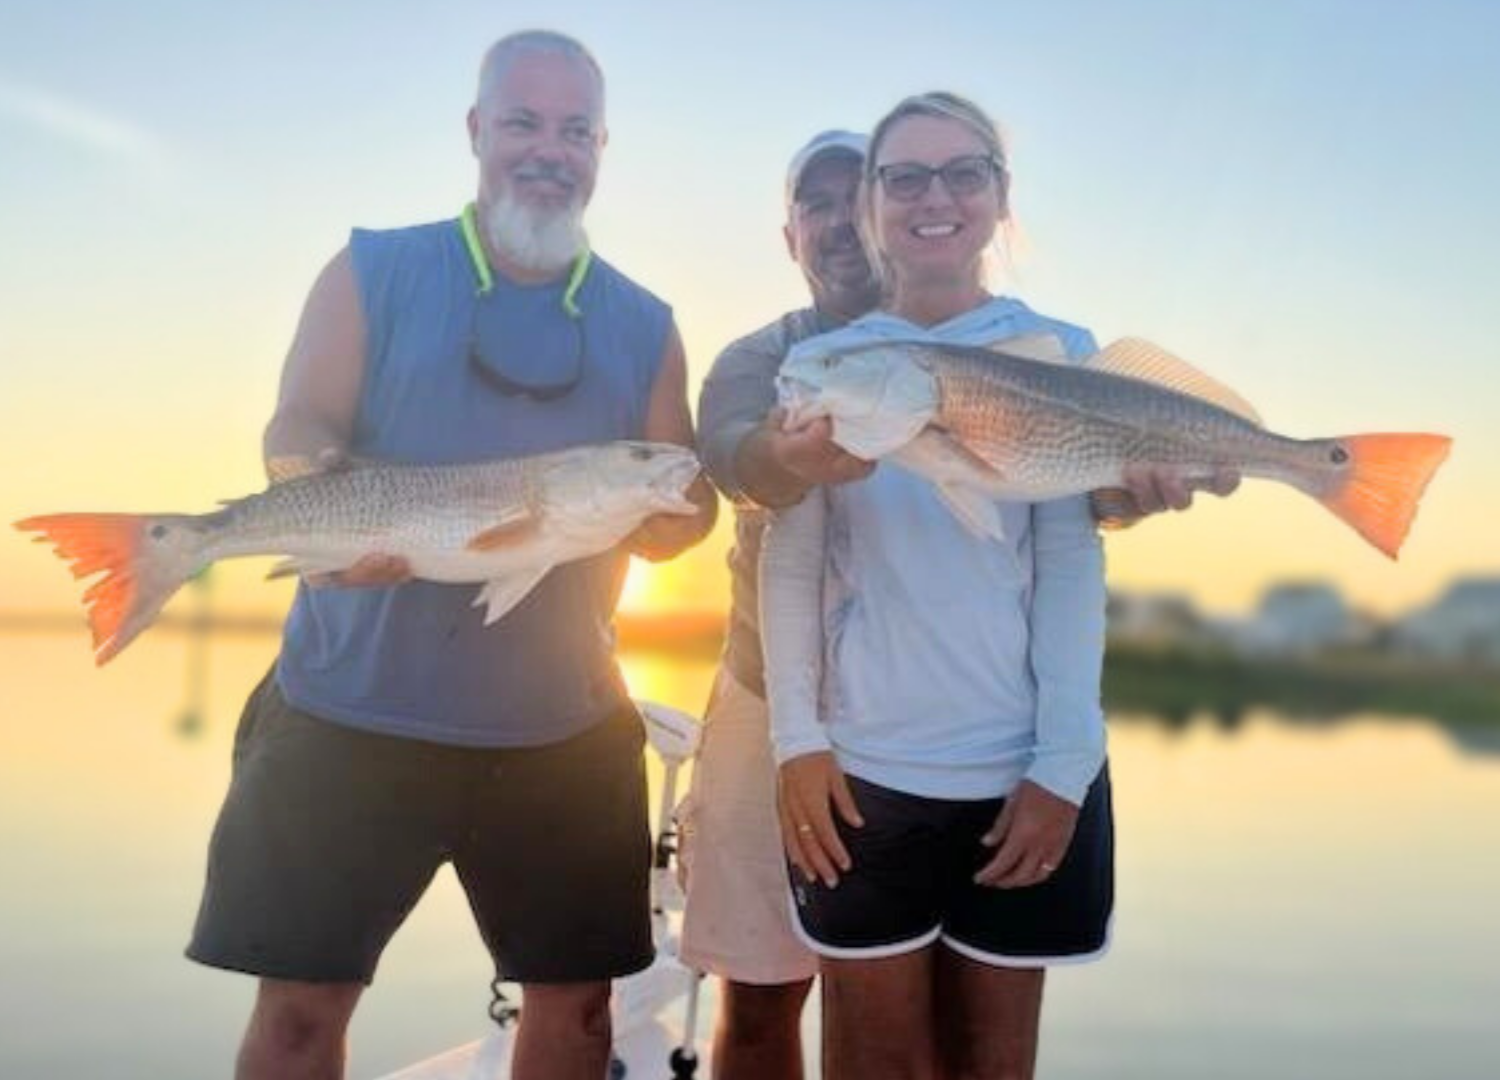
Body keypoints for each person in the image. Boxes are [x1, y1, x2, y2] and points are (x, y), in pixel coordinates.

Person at [185, 30, 716, 1080]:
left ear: (602, 147)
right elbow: (297, 423)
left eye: (574, 130)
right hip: (349, 707)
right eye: (523, 121)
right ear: (478, 130)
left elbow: (685, 500)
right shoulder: (371, 268)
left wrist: (671, 522)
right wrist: (337, 502)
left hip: (561, 727)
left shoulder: (646, 323)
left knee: (579, 1022)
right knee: (299, 1014)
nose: (547, 149)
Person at [680, 126, 1238, 1078]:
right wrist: (798, 740)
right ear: (795, 233)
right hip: (775, 699)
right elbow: (741, 473)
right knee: (765, 993)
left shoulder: (1039, 346)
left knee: (964, 1036)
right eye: (819, 201)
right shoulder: (771, 360)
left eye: (862, 189)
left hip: (986, 738)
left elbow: (1057, 532)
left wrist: (1112, 494)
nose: (851, 217)